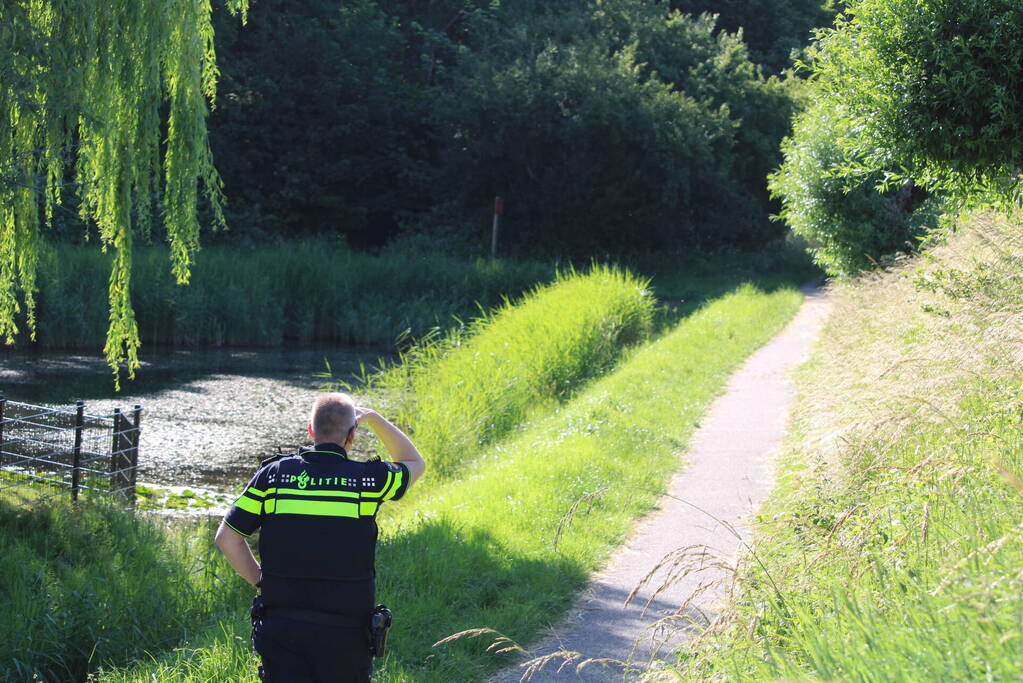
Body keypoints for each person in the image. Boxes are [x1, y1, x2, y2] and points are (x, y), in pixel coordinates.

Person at [215, 392, 426, 682]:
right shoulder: (367, 480)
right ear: (351, 436)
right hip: (346, 635)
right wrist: (376, 420)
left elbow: (227, 539)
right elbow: (414, 462)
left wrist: (262, 581)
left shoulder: (274, 476)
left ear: (310, 431)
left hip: (282, 628)